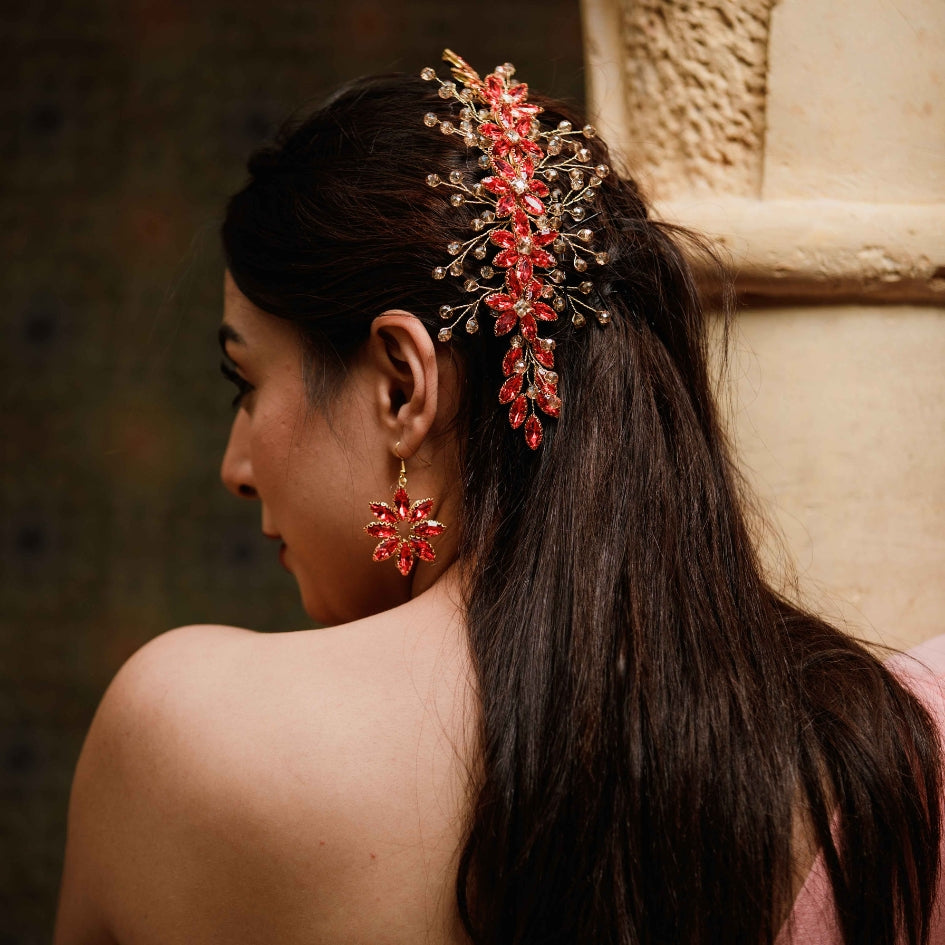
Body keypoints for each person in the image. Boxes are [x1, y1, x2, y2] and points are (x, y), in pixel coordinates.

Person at [54, 51, 945, 945]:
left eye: (244, 383)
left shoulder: (184, 734)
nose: (236, 464)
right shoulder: (884, 754)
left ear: (402, 385)